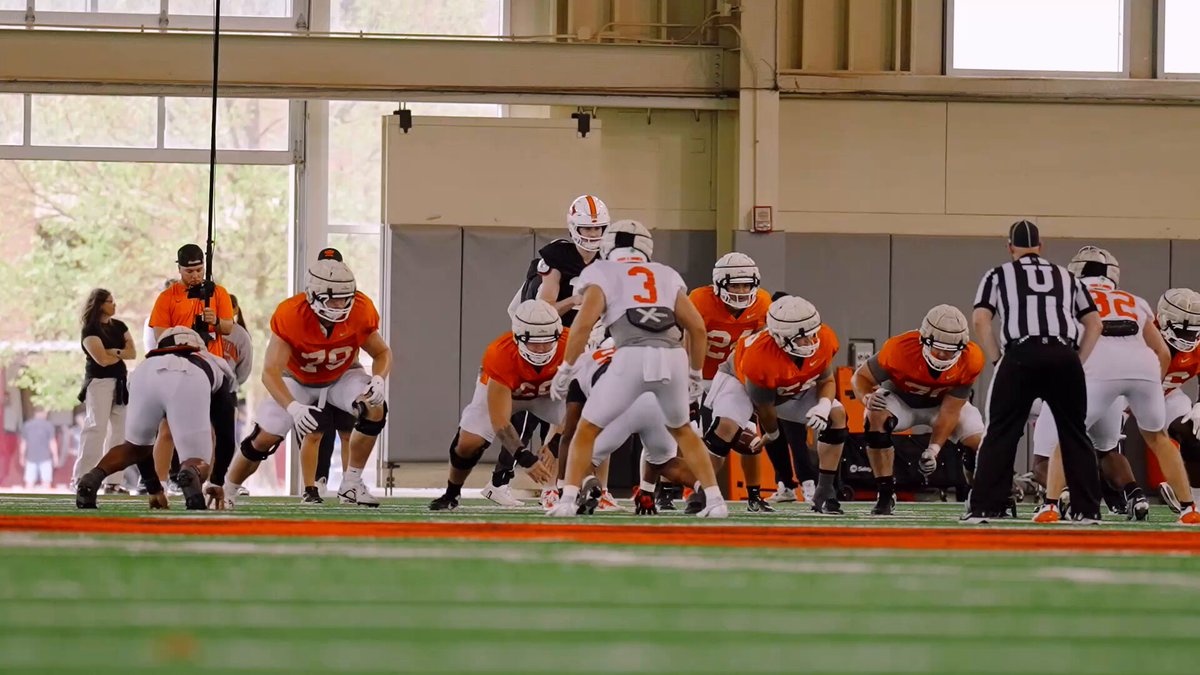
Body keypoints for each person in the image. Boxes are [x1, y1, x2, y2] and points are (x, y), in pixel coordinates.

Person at [546, 220, 727, 518]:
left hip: (630, 355)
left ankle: (567, 500)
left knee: (586, 430)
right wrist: (695, 373)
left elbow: (583, 323)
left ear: (608, 245)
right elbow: (696, 327)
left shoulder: (601, 271)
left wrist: (567, 367)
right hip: (672, 357)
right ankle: (716, 500)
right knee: (684, 431)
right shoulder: (666, 273)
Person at [1030, 248, 1197, 525]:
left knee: (1068, 435)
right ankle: (1189, 509)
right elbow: (1162, 352)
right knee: (1159, 440)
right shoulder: (1134, 300)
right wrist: (1151, 388)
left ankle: (1051, 505)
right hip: (1142, 368)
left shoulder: (1069, 297)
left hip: (1098, 370)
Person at [220, 258, 391, 508]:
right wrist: (293, 407)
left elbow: (382, 352)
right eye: (333, 299)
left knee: (375, 406)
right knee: (265, 437)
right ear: (313, 296)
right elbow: (270, 372)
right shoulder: (291, 315)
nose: (341, 305)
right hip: (297, 379)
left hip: (341, 375)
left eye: (346, 298)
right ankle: (228, 489)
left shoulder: (361, 309)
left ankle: (351, 483)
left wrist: (378, 379)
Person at [968, 220, 1103, 523]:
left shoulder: (998, 274)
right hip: (1063, 353)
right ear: (1041, 247)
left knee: (1001, 432)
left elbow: (980, 319)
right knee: (1074, 433)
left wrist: (997, 359)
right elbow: (1095, 323)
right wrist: (1076, 360)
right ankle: (1087, 510)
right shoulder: (1067, 277)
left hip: (1021, 353)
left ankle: (986, 507)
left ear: (1010, 247)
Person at [703, 295, 848, 514]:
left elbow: (826, 379)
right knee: (724, 430)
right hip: (739, 381)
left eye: (813, 334)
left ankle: (825, 492)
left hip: (785, 389)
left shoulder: (824, 338)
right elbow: (764, 406)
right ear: (780, 338)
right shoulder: (759, 358)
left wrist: (824, 405)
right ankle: (702, 492)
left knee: (837, 415)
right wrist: (772, 435)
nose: (811, 342)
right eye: (802, 338)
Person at [76, 327, 235, 510]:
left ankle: (93, 477)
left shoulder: (145, 365)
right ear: (199, 346)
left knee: (133, 447)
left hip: (145, 376)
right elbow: (226, 435)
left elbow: (142, 448)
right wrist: (216, 481)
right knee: (196, 461)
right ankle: (189, 474)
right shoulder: (212, 362)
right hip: (190, 375)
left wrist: (154, 489)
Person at [429, 300, 567, 511]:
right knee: (468, 443)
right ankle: (452, 492)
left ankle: (576, 490)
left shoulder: (573, 344)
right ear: (517, 337)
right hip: (507, 395)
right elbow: (500, 422)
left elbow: (579, 407)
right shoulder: (499, 353)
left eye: (547, 341)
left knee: (589, 428)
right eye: (533, 342)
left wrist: (556, 442)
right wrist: (524, 457)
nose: (541, 349)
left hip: (548, 396)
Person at [852, 305, 985, 515]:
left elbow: (950, 411)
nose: (943, 355)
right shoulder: (900, 349)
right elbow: (860, 377)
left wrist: (933, 450)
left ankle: (978, 495)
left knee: (980, 442)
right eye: (938, 348)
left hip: (941, 406)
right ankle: (885, 492)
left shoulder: (971, 358)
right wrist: (866, 396)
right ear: (924, 339)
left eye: (951, 350)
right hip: (902, 402)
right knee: (874, 416)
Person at [688, 252, 777, 511]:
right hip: (699, 374)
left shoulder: (763, 302)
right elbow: (687, 338)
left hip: (733, 377)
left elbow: (761, 346)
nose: (741, 291)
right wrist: (687, 375)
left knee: (750, 439)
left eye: (746, 285)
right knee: (689, 435)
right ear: (719, 284)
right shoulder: (700, 300)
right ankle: (678, 491)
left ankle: (754, 495)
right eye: (735, 285)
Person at [74, 288, 136, 494]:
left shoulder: (119, 326)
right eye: (110, 301)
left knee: (119, 432)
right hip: (99, 383)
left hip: (121, 382)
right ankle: (82, 477)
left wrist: (113, 351)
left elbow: (132, 352)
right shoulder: (90, 330)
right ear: (100, 304)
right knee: (96, 429)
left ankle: (113, 481)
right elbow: (101, 360)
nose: (114, 304)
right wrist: (118, 353)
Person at [1156, 288, 1200, 516]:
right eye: (1182, 330)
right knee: (1105, 443)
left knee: (1192, 434)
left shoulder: (1197, 346)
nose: (1187, 339)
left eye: (1193, 332)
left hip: (1167, 394)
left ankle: (1195, 499)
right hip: (1125, 395)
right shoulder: (1145, 334)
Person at [20, 408, 58, 491]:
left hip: (30, 457)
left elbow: (24, 443)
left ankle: (27, 499)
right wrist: (55, 457)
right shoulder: (48, 425)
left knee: (29, 484)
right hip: (45, 458)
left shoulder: (27, 425)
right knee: (46, 484)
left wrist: (22, 457)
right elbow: (52, 442)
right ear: (44, 413)